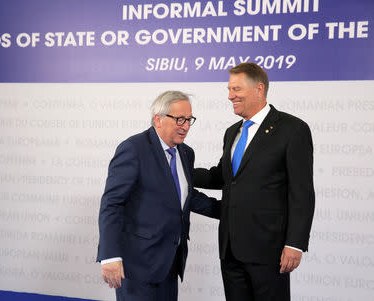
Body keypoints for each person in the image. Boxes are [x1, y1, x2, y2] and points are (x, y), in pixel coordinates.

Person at [193, 62, 315, 301]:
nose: (230, 96)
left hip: (269, 250)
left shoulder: (292, 129)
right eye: (229, 89)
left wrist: (295, 243)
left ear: (259, 89)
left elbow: (302, 193)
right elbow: (223, 177)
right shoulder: (232, 132)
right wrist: (179, 167)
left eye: (236, 89)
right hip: (230, 249)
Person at [97, 91, 220, 301]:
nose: (186, 126)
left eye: (189, 120)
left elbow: (185, 196)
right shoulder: (133, 149)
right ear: (158, 119)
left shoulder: (185, 153)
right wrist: (109, 255)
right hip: (137, 263)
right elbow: (112, 204)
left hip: (170, 261)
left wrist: (232, 211)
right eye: (179, 119)